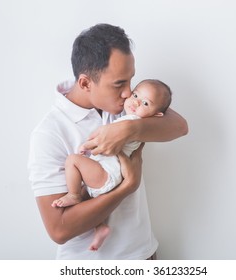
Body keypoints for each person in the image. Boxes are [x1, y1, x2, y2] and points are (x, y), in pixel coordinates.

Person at [28, 23, 188, 260]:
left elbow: (179, 126)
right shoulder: (49, 134)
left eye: (130, 81)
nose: (128, 92)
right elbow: (59, 230)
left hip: (144, 255)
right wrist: (126, 188)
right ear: (85, 83)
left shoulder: (128, 108)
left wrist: (128, 129)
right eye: (119, 84)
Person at [51, 79, 173, 251]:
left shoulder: (130, 121)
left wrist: (85, 146)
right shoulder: (141, 124)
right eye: (135, 95)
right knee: (91, 202)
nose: (135, 101)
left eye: (145, 103)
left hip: (107, 172)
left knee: (73, 161)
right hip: (114, 175)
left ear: (156, 115)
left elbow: (102, 137)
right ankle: (100, 226)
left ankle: (73, 195)